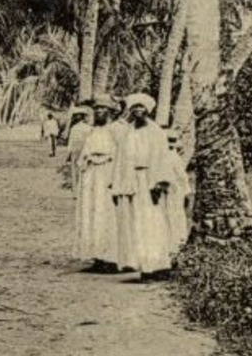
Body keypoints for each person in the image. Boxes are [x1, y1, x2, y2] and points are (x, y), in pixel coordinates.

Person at [110, 92, 180, 279]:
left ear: (148, 110)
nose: (138, 111)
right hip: (131, 181)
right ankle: (142, 265)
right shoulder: (127, 132)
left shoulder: (156, 132)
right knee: (135, 224)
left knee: (152, 222)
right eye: (134, 108)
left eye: (141, 107)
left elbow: (162, 158)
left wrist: (159, 183)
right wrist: (116, 185)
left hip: (149, 181)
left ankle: (157, 265)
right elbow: (120, 159)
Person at [69, 99, 120, 272]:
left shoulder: (116, 131)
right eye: (96, 108)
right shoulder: (91, 132)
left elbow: (121, 155)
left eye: (102, 108)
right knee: (91, 214)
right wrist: (85, 161)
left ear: (110, 111)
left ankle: (111, 258)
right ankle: (97, 256)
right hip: (91, 176)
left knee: (107, 215)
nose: (99, 111)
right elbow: (83, 154)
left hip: (107, 175)